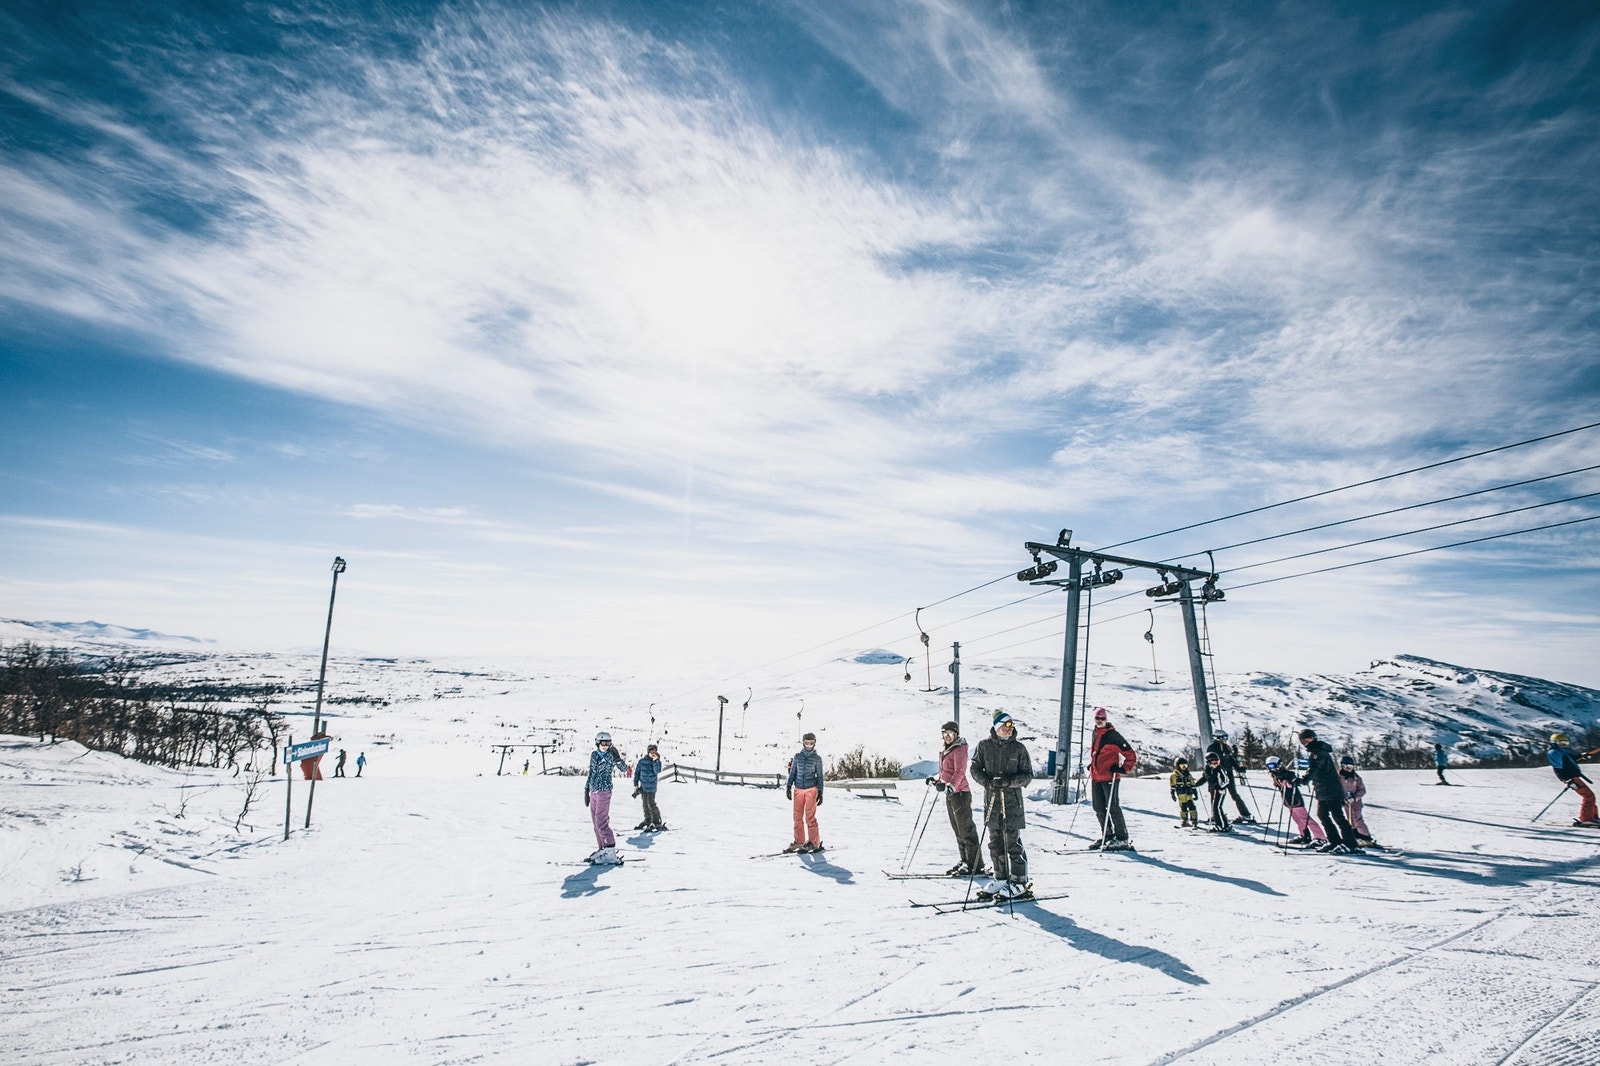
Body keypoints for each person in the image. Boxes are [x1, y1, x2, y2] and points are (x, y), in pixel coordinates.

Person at [969, 711, 1034, 898]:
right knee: (995, 842)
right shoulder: (984, 746)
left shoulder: (1019, 748)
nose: (1009, 728)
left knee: (1012, 842)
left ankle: (1019, 880)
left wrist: (1008, 782)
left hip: (1012, 802)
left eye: (1011, 725)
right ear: (997, 727)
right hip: (992, 802)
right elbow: (974, 768)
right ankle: (1001, 877)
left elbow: (1027, 775)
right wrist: (987, 782)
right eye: (1006, 725)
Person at [927, 721, 984, 876]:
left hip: (960, 794)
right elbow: (947, 772)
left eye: (951, 733)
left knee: (966, 830)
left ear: (956, 734)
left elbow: (960, 771)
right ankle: (965, 861)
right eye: (945, 733)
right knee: (958, 830)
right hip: (951, 794)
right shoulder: (947, 750)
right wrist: (937, 782)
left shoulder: (959, 749)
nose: (947, 736)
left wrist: (951, 786)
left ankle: (975, 865)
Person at [1298, 729, 1361, 853]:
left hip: (1331, 790)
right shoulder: (1316, 751)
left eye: (1309, 738)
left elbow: (1314, 768)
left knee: (1338, 817)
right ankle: (1334, 841)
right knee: (1322, 815)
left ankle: (1350, 844)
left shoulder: (1319, 752)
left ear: (1314, 738)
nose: (1306, 741)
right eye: (1304, 739)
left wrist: (1304, 779)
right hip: (1322, 790)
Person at [1087, 707, 1137, 850]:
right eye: (1097, 718)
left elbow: (1130, 754)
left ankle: (1122, 838)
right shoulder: (1095, 733)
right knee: (1098, 807)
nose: (1100, 721)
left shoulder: (1113, 735)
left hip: (1110, 777)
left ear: (1106, 719)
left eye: (1102, 718)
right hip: (1096, 776)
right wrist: (1093, 765)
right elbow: (1097, 753)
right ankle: (1108, 835)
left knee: (1113, 807)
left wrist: (1123, 768)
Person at [584, 731, 630, 864]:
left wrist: (618, 758)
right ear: (597, 743)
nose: (605, 745)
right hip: (594, 791)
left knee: (601, 821)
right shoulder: (594, 755)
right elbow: (591, 772)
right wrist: (587, 789)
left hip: (604, 791)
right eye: (603, 743)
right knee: (595, 823)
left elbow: (623, 769)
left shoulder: (611, 755)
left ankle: (610, 849)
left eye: (608, 743)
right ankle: (602, 848)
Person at [1266, 755, 1325, 846]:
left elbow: (1292, 777)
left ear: (1279, 764)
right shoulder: (1276, 775)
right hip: (1288, 802)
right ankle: (1304, 835)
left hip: (1295, 801)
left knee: (1306, 819)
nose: (1272, 769)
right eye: (1270, 766)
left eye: (1273, 766)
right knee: (1297, 819)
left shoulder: (1286, 773)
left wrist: (1289, 782)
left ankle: (1320, 837)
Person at [1547, 733, 1599, 827]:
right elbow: (1558, 768)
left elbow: (1572, 760)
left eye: (1565, 743)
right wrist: (1568, 780)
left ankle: (1593, 817)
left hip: (1574, 777)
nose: (1564, 745)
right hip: (1571, 778)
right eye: (1561, 743)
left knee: (1590, 796)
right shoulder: (1554, 753)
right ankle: (1587, 819)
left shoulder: (1563, 751)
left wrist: (1582, 756)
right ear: (1554, 743)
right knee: (1588, 796)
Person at [785, 733, 825, 854]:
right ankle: (799, 841)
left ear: (814, 743)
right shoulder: (797, 757)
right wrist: (788, 786)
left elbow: (820, 776)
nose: (809, 745)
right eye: (806, 743)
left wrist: (820, 792)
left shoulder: (817, 759)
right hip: (798, 789)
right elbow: (793, 772)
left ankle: (814, 842)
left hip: (811, 790)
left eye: (811, 743)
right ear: (803, 743)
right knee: (797, 817)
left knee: (810, 817)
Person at [1204, 730, 1255, 822]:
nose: (1226, 740)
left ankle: (1245, 814)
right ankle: (1216, 815)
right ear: (1218, 738)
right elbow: (1211, 762)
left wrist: (1238, 769)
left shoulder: (1226, 747)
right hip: (1217, 775)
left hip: (1228, 773)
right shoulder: (1212, 748)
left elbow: (1231, 760)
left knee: (1234, 794)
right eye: (1224, 737)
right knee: (1215, 795)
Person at [1339, 756, 1378, 846]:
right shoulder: (1339, 778)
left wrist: (1355, 797)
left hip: (1356, 803)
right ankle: (1356, 837)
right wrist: (1342, 798)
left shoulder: (1356, 778)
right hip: (1346, 803)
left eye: (1350, 767)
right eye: (1346, 766)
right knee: (1350, 821)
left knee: (1357, 820)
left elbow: (1362, 790)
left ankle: (1366, 837)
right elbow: (1337, 789)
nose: (1348, 769)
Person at [633, 743, 666, 831]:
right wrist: (635, 784)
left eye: (655, 751)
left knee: (651, 804)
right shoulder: (641, 761)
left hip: (651, 787)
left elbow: (657, 771)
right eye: (651, 751)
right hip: (643, 787)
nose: (653, 752)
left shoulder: (657, 762)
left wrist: (656, 761)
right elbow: (637, 773)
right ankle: (648, 820)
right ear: (648, 752)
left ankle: (657, 821)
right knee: (645, 804)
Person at [1169, 757, 1198, 828]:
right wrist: (1173, 794)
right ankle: (1184, 820)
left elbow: (1193, 785)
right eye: (1182, 766)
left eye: (1185, 765)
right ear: (1178, 766)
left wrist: (1195, 794)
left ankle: (1194, 821)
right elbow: (1172, 786)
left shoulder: (1188, 775)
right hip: (1181, 794)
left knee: (1192, 807)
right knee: (1183, 808)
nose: (1184, 767)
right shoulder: (1174, 776)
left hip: (1189, 794)